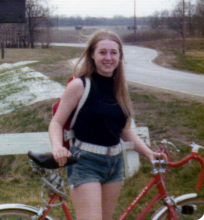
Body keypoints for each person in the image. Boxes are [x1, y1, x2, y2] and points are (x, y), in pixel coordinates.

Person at [49, 30, 158, 220]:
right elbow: (56, 123)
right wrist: (58, 147)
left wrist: (149, 153)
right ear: (92, 54)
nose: (108, 58)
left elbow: (124, 132)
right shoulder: (79, 86)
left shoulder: (119, 89)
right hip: (85, 162)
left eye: (113, 53)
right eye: (102, 52)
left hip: (115, 164)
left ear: (120, 56)